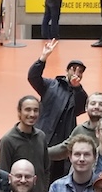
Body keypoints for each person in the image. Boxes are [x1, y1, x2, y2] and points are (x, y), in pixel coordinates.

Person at [29, 41, 88, 171]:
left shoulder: (80, 93)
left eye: (80, 71)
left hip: (62, 146)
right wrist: (43, 58)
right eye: (73, 69)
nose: (76, 73)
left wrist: (77, 87)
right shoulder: (51, 85)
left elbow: (82, 106)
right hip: (44, 138)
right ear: (66, 70)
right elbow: (33, 77)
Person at [50, 92, 102, 161]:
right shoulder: (80, 130)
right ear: (86, 108)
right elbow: (63, 150)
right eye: (93, 104)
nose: (96, 107)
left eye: (101, 104)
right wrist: (41, 152)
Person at [0, 96, 51, 192]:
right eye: (28, 110)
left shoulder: (41, 136)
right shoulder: (8, 140)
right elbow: (4, 175)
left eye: (35, 110)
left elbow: (46, 169)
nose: (32, 114)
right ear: (19, 112)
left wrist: (44, 190)